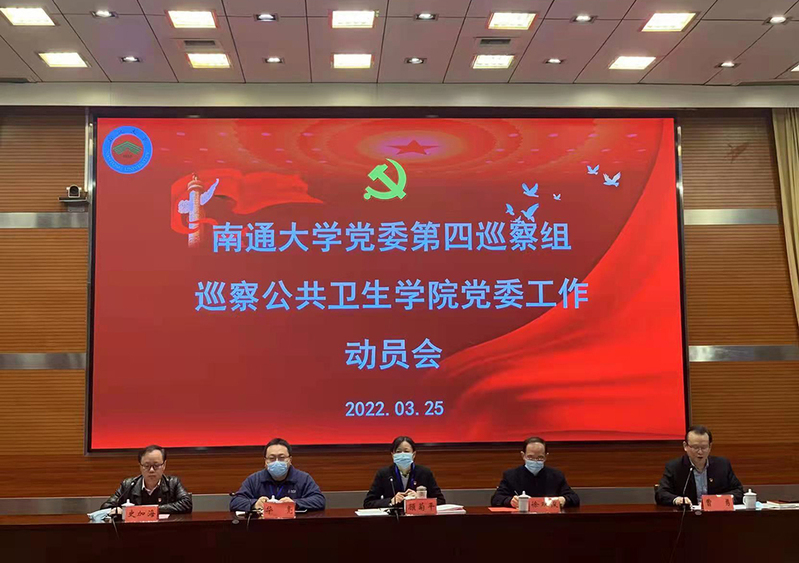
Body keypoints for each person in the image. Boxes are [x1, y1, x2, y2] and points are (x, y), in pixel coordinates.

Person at [655, 425, 744, 506]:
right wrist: (678, 500)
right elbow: (661, 493)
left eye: (704, 447)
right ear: (685, 446)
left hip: (716, 514)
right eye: (695, 447)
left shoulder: (722, 465)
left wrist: (720, 500)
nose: (700, 452)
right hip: (688, 515)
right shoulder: (674, 467)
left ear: (710, 446)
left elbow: (738, 491)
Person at [229, 438, 325, 512]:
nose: (277, 462)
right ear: (265, 461)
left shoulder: (303, 478)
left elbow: (319, 500)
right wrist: (254, 504)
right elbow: (235, 502)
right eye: (272, 458)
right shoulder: (254, 479)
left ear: (290, 460)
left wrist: (295, 503)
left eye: (281, 457)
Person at [491, 436, 579, 508]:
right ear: (523, 455)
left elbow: (574, 498)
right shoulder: (511, 475)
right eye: (530, 457)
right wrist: (510, 501)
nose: (535, 461)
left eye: (540, 457)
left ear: (546, 456)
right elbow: (496, 499)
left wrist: (563, 500)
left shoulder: (556, 476)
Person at [101, 444, 192, 513]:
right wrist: (119, 510)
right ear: (140, 466)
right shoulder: (128, 485)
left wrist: (150, 510)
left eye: (156, 465)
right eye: (146, 466)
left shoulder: (173, 483)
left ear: (164, 465)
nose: (151, 470)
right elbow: (106, 507)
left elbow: (187, 504)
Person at [363, 436, 446, 508]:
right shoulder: (384, 474)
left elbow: (441, 501)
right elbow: (368, 503)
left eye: (406, 451)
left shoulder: (425, 473)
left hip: (418, 518)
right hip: (393, 518)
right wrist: (391, 501)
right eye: (398, 452)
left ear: (413, 454)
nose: (402, 455)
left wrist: (421, 499)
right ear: (392, 455)